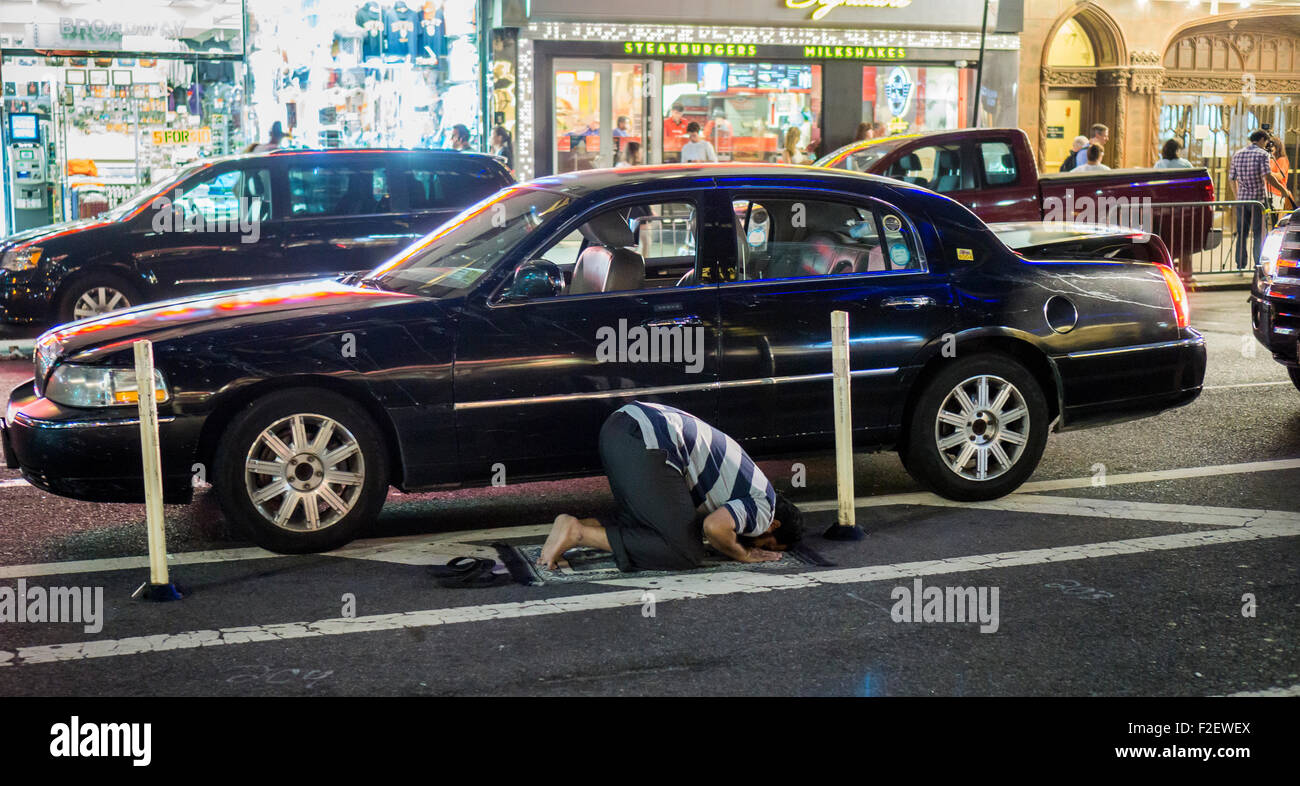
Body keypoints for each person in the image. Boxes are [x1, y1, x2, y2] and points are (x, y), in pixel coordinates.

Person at [538, 401, 804, 571]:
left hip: (621, 427)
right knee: (683, 552)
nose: (761, 549)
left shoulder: (751, 485)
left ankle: (572, 526)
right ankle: (578, 533)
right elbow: (715, 528)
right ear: (774, 525)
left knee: (651, 525)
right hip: (647, 439)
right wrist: (742, 553)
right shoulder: (763, 509)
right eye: (768, 545)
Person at [1229, 129, 1296, 269]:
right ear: (1262, 140)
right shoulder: (1262, 154)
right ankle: (1258, 263)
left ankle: (1240, 263)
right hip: (1258, 200)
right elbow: (1269, 177)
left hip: (1242, 200)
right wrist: (1283, 190)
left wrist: (1237, 195)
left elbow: (1231, 178)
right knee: (1259, 233)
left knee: (1242, 233)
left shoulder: (1238, 154)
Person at [1267, 134, 1294, 212]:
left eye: (1272, 146)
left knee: (1275, 217)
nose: (1270, 148)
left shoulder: (1282, 159)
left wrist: (1267, 174)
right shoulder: (1270, 160)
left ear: (1277, 147)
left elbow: (1280, 176)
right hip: (1268, 192)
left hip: (1277, 193)